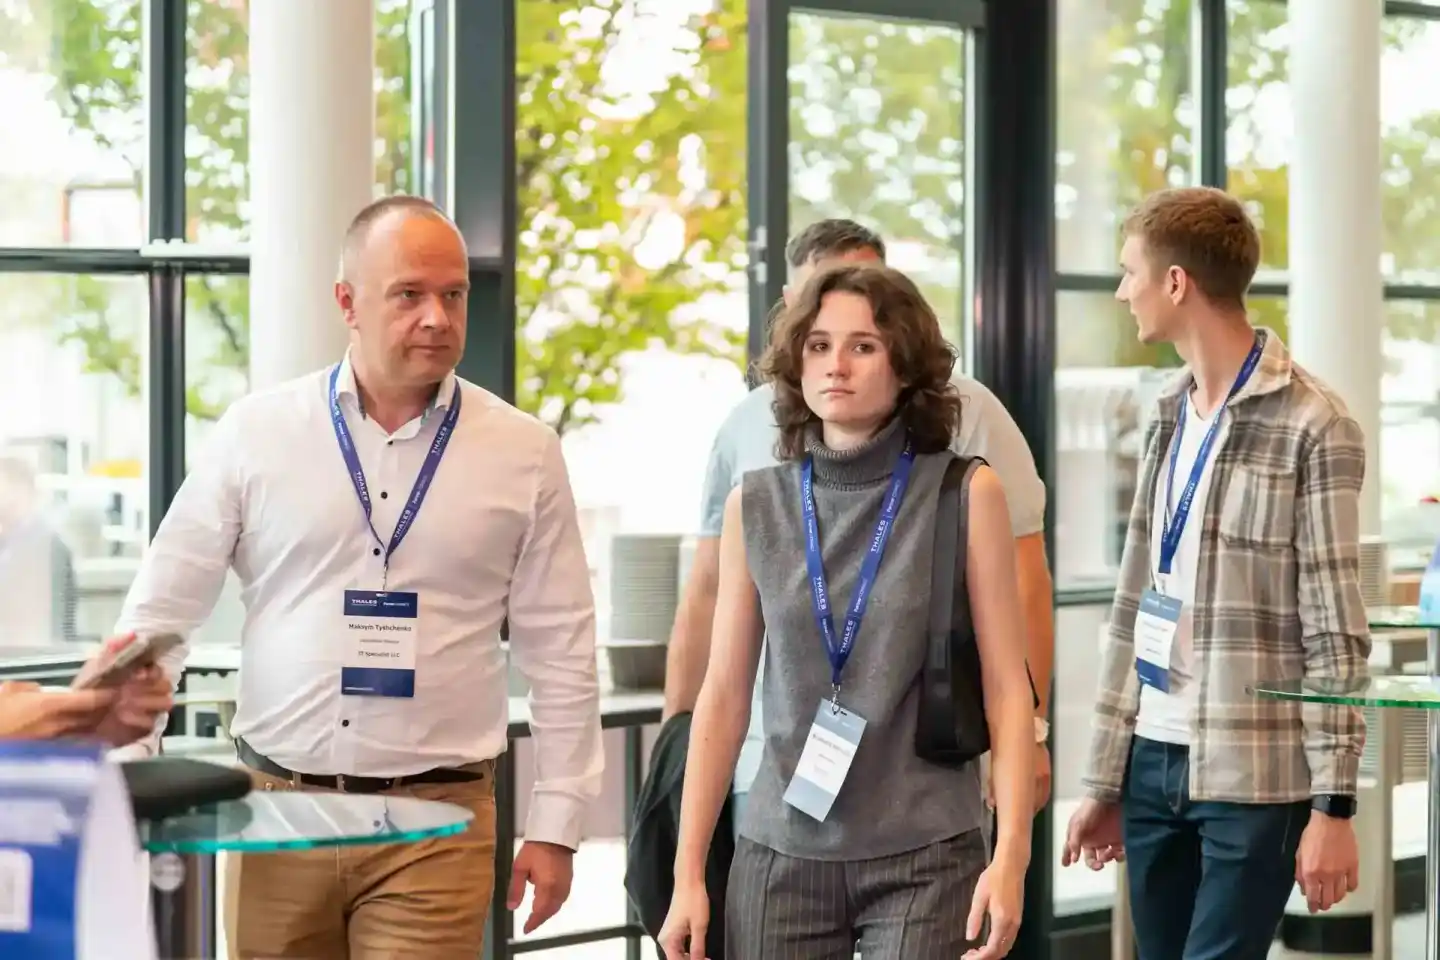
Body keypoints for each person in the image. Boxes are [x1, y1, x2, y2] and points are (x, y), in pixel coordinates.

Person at [112, 195, 603, 959]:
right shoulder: (258, 432)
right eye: (410, 294)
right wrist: (125, 770)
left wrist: (557, 822)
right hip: (276, 815)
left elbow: (562, 647)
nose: (437, 316)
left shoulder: (524, 451)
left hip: (439, 823)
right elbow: (163, 609)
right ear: (348, 301)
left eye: (453, 294)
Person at [658, 262, 1035, 959]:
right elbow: (723, 695)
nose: (837, 365)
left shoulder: (964, 492)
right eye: (819, 345)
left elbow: (1010, 690)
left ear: (904, 364)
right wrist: (688, 874)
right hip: (780, 850)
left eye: (864, 345)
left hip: (926, 852)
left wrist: (1010, 856)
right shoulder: (758, 503)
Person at [1062, 187, 1368, 959]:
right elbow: (1138, 602)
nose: (1123, 289)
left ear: (1175, 283)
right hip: (1151, 759)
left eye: (1131, 271)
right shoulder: (1165, 411)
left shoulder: (1316, 424)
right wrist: (1105, 780)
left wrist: (1334, 806)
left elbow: (1336, 628)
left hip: (1254, 776)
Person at [0, 456, 78, 645]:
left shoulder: (46, 545)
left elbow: (54, 621)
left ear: (25, 492)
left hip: (30, 656)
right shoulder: (9, 539)